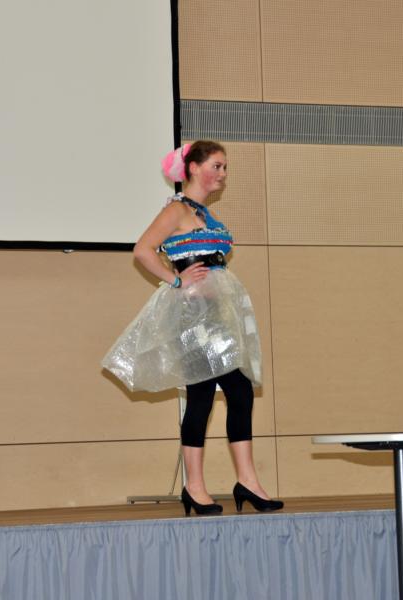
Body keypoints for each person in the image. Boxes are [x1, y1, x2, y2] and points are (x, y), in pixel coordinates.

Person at [102, 140, 283, 516]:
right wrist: (177, 281)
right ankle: (198, 486)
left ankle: (243, 481)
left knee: (238, 391)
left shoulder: (203, 213)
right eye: (216, 165)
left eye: (225, 167)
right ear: (194, 168)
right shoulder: (177, 210)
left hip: (215, 317)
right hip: (193, 318)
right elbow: (142, 250)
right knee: (207, 393)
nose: (223, 173)